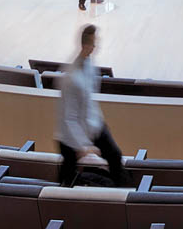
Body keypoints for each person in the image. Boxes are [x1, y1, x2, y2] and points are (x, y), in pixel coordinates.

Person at [55, 25, 129, 187]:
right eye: (94, 43)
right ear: (86, 46)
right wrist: (82, 146)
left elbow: (88, 98)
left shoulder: (88, 63)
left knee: (115, 156)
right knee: (67, 175)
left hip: (94, 125)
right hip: (70, 137)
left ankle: (124, 193)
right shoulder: (71, 79)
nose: (96, 46)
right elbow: (69, 118)